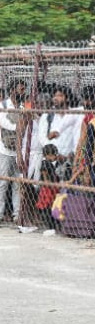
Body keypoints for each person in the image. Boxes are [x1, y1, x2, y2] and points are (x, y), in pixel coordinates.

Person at [0, 79, 29, 222]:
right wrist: (20, 126)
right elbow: (4, 122)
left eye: (24, 89)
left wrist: (20, 126)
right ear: (12, 90)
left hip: (20, 150)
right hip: (5, 150)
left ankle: (17, 214)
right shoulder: (3, 105)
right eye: (20, 89)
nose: (23, 92)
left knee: (18, 183)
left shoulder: (24, 106)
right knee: (3, 183)